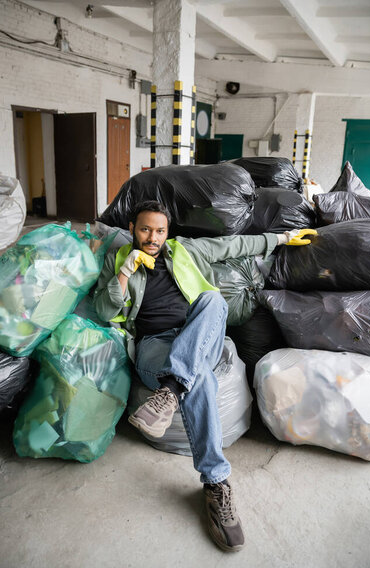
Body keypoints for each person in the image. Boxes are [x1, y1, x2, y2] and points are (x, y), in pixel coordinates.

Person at [94, 200, 312, 552]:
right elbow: (105, 311)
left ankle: (169, 391)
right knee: (204, 380)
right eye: (146, 229)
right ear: (133, 228)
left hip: (199, 335)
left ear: (169, 233)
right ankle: (216, 483)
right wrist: (125, 271)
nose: (153, 238)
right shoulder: (118, 259)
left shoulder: (187, 250)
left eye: (160, 231)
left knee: (213, 302)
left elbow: (238, 244)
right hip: (154, 346)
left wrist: (284, 237)